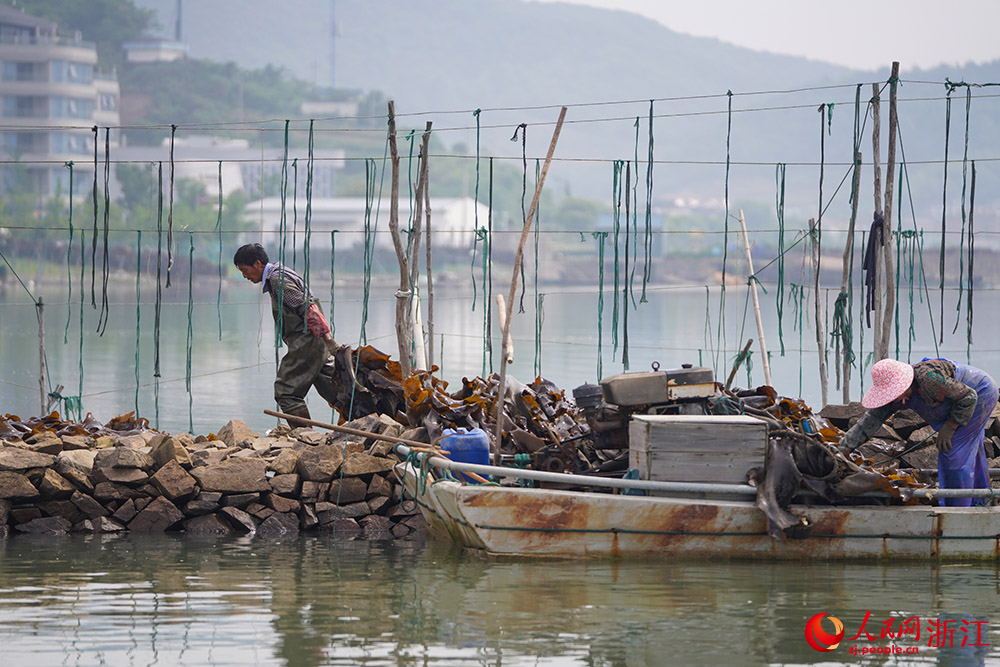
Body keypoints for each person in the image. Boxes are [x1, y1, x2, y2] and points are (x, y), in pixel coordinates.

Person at [839, 357, 997, 507]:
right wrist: (843, 449)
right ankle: (981, 500)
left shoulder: (929, 380)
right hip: (964, 399)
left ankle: (956, 509)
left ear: (905, 384)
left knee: (953, 453)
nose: (892, 398)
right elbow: (870, 421)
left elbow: (968, 397)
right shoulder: (894, 400)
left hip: (981, 393)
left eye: (893, 392)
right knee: (970, 451)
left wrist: (950, 426)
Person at [234, 243, 339, 427]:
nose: (245, 276)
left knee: (286, 392)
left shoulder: (277, 280)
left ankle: (305, 437)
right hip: (315, 343)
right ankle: (374, 420)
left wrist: (328, 339)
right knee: (337, 391)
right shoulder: (280, 273)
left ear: (258, 264)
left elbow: (307, 308)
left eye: (245, 270)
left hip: (307, 342)